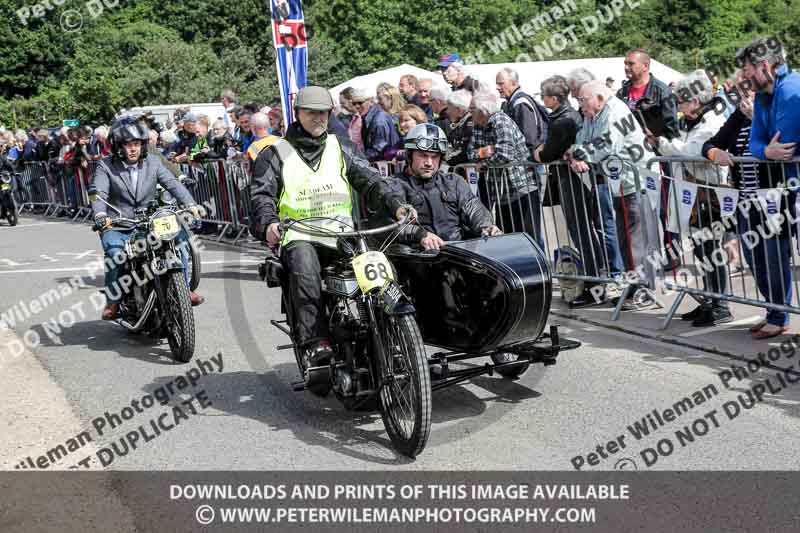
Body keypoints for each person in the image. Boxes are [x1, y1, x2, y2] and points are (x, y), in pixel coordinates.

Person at [248, 86, 410, 369]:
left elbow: (370, 180)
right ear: (297, 114)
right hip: (299, 235)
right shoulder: (274, 153)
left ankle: (396, 332)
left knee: (381, 264)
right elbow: (261, 196)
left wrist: (396, 204)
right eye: (311, 112)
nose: (319, 118)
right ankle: (315, 342)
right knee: (304, 265)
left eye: (324, 112)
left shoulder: (341, 146)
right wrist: (269, 224)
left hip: (342, 234)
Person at [91, 117, 205, 321]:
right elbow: (98, 192)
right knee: (116, 254)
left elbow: (172, 183)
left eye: (136, 144)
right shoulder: (105, 166)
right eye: (128, 145)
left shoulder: (152, 162)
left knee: (179, 241)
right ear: (118, 146)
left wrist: (191, 204)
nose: (133, 149)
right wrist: (100, 215)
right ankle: (113, 301)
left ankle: (185, 289)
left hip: (151, 218)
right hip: (119, 223)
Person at [567, 80, 657, 310]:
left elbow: (607, 147)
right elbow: (582, 140)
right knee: (625, 239)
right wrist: (578, 152)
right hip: (618, 183)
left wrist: (580, 154)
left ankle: (642, 291)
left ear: (599, 98)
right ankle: (633, 287)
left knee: (635, 240)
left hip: (635, 182)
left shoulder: (615, 112)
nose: (580, 105)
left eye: (583, 100)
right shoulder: (592, 114)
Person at [737, 36, 800, 338]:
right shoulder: (763, 95)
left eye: (747, 69)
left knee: (777, 253)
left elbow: (785, 142)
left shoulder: (791, 90)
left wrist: (768, 150)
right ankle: (777, 313)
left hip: (790, 189)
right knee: (769, 254)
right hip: (777, 192)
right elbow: (757, 142)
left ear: (764, 65)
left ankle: (780, 315)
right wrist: (766, 152)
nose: (743, 76)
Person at [386, 123, 501, 250]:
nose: (429, 163)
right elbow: (386, 224)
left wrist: (486, 227)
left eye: (434, 157)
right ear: (409, 155)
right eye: (423, 155)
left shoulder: (454, 182)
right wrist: (419, 235)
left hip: (456, 254)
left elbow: (474, 208)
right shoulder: (393, 185)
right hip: (416, 257)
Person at [617, 48, 679, 140]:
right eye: (625, 63)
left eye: (631, 64)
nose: (626, 67)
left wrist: (658, 145)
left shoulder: (662, 92)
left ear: (645, 66)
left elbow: (671, 129)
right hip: (627, 149)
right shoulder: (621, 93)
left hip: (654, 150)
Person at [350, 87, 400, 162]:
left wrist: (356, 158)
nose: (357, 106)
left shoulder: (379, 120)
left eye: (360, 103)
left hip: (387, 166)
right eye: (354, 103)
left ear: (371, 101)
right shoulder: (368, 118)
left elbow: (379, 150)